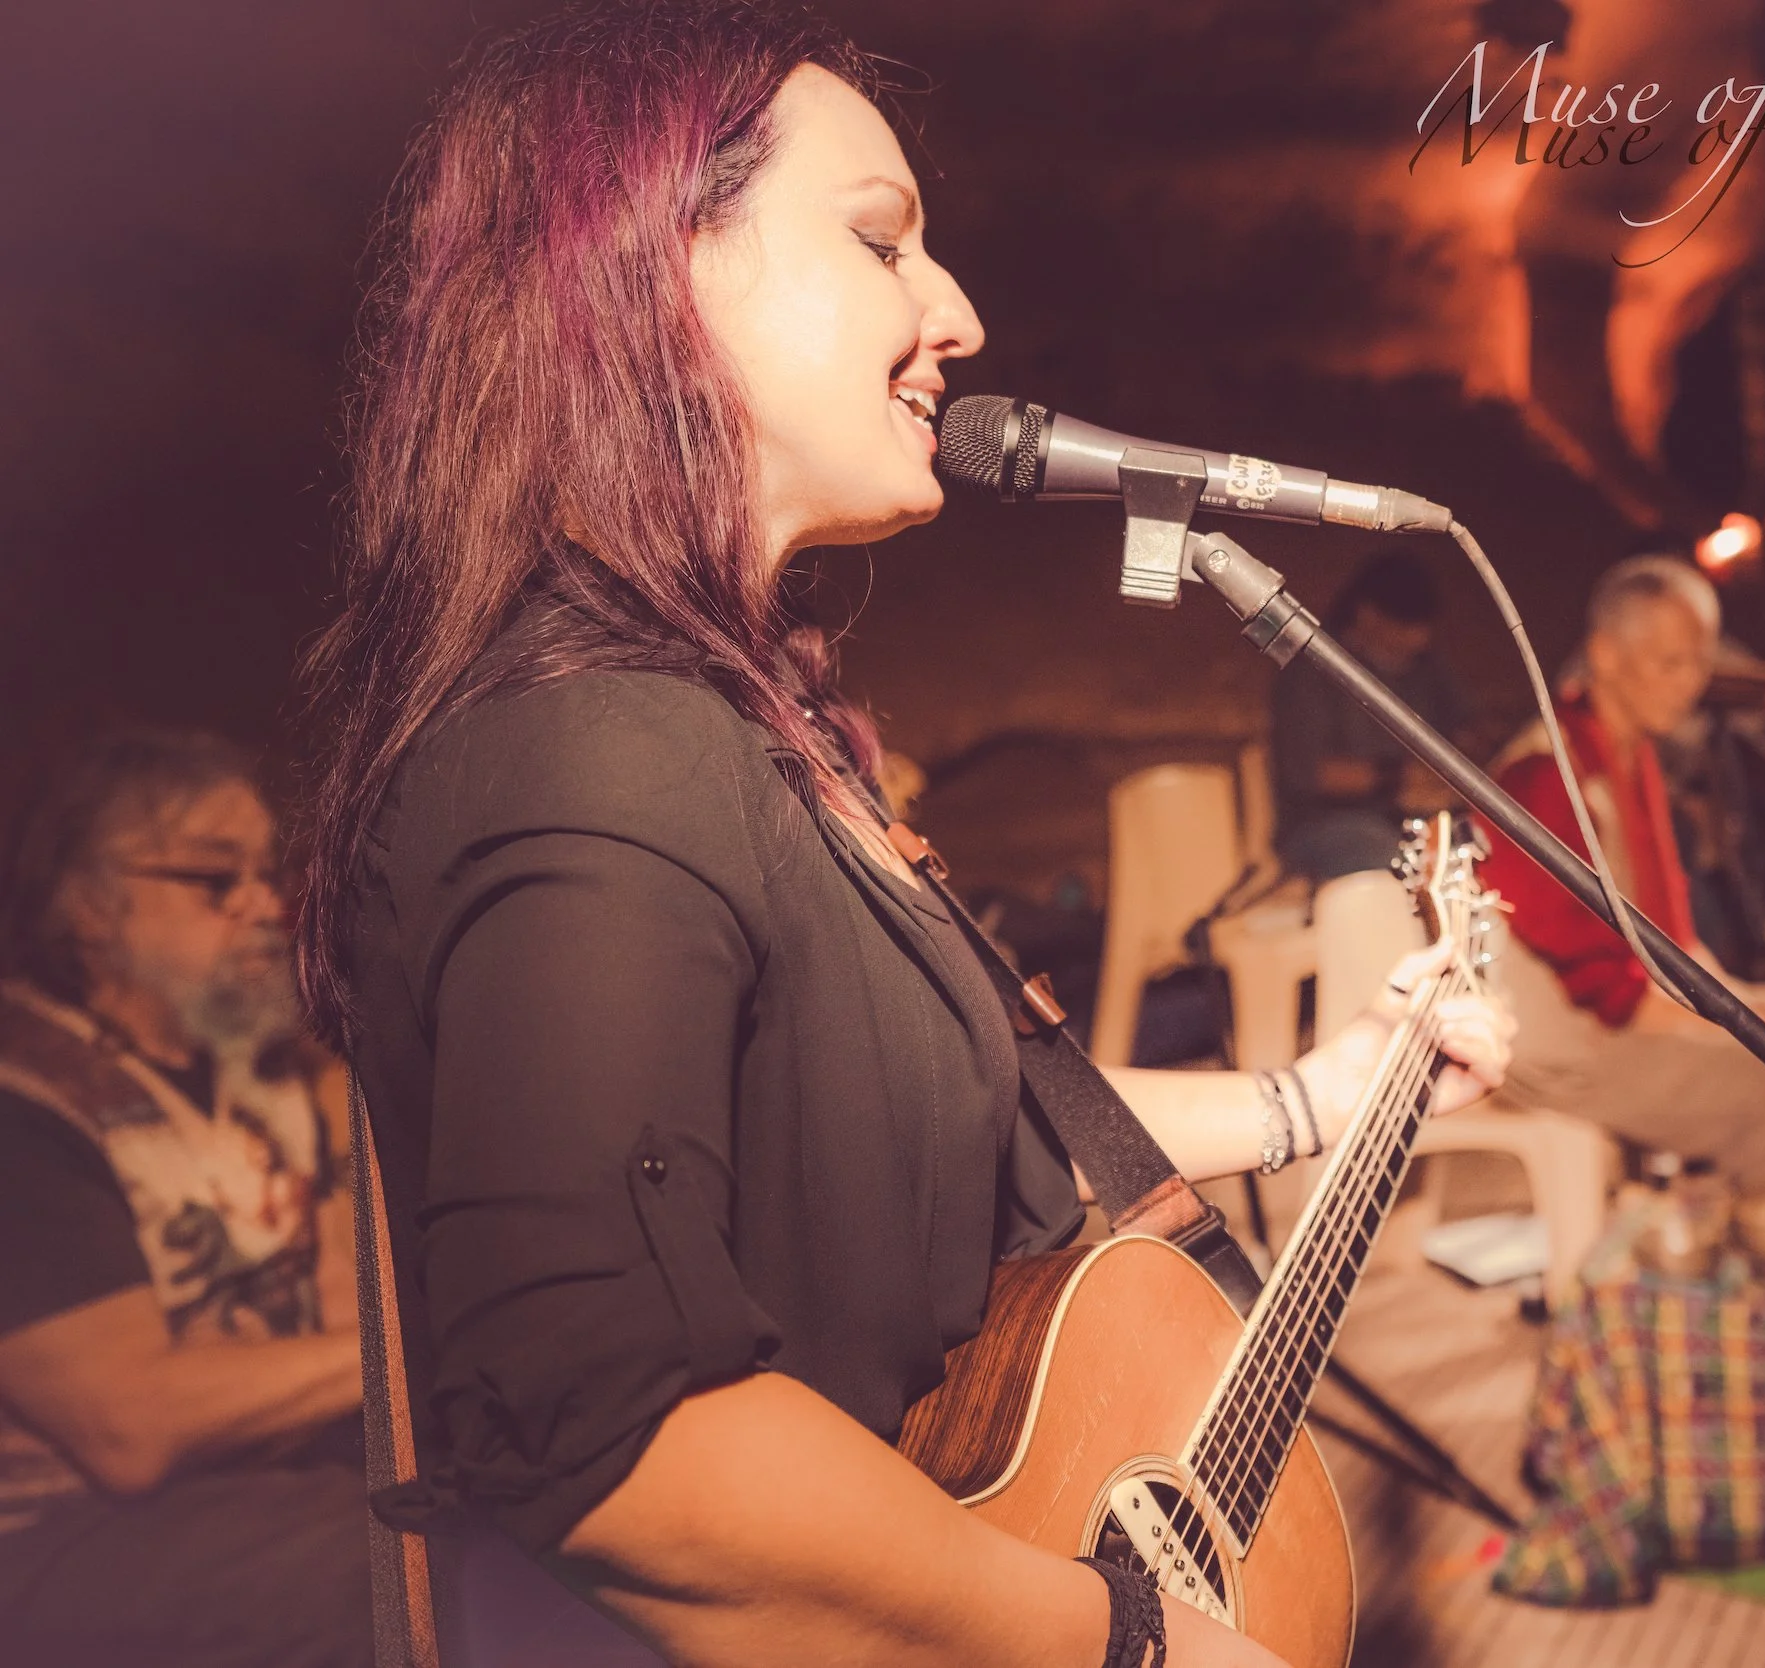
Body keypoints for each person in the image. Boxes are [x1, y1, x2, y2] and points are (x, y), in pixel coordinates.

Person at [289, 8, 1512, 1668]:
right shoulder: (590, 743)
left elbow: (944, 1135)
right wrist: (1122, 1633)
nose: (958, 312)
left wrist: (1328, 1093)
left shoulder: (732, 734)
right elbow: (625, 1447)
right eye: (880, 241)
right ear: (646, 267)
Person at [0, 730, 369, 1668]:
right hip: (54, 1536)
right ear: (89, 907)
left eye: (261, 873)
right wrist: (415, 1349)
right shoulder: (25, 1101)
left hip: (253, 1489)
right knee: (402, 1570)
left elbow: (337, 1303)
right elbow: (131, 1426)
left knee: (505, 1515)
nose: (261, 907)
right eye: (214, 880)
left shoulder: (268, 1077)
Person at [1475, 555, 1765, 1190]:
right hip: (1570, 1049)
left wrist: (1749, 1006)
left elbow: (1676, 940)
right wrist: (1746, 1027)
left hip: (1635, 1012)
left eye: (1700, 663)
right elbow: (1603, 989)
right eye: (1671, 662)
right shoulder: (1544, 776)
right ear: (1606, 655)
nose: (1691, 684)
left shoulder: (1635, 754)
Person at [1269, 551, 1466, 883]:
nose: (1417, 641)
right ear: (1367, 614)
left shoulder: (1426, 667)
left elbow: (1465, 728)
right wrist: (1399, 778)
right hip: (1328, 825)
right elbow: (1309, 773)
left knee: (1473, 846)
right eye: (1404, 628)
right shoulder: (1314, 669)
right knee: (1388, 860)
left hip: (1416, 818)